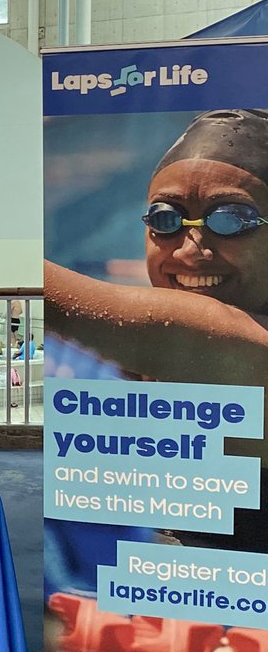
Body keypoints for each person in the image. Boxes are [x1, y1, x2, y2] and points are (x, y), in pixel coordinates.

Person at [45, 109, 268, 551]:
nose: (192, 247)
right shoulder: (130, 360)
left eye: (231, 219)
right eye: (166, 218)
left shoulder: (251, 347)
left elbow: (177, 329)